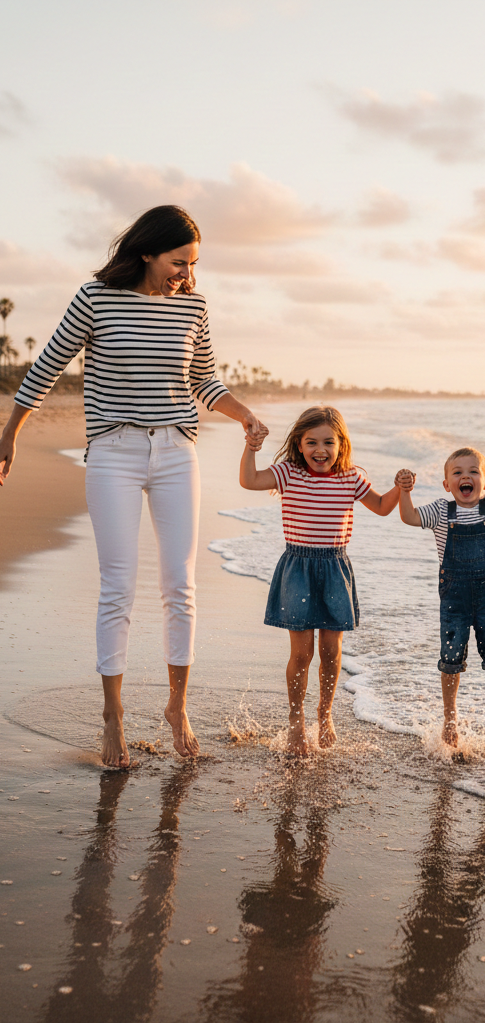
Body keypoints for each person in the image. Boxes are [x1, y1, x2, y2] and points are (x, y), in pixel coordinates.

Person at [0, 205, 268, 769]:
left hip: (176, 451)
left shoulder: (192, 306)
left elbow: (204, 379)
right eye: (178, 261)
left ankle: (177, 706)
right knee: (118, 586)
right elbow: (47, 366)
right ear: (147, 251)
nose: (186, 274)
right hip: (114, 453)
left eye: (193, 263)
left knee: (181, 585)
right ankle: (113, 716)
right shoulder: (95, 299)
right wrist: (10, 434)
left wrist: (243, 413)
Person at [239, 405, 401, 755]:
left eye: (329, 442)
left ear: (342, 444)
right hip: (298, 567)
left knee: (331, 651)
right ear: (299, 444)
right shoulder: (288, 473)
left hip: (335, 568)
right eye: (311, 442)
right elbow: (249, 481)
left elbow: (383, 506)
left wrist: (401, 488)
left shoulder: (350, 479)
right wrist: (251, 448)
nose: (320, 450)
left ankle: (325, 714)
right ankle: (296, 720)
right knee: (302, 653)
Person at [397, 447, 485, 747]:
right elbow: (408, 517)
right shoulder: (438, 510)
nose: (466, 477)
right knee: (450, 661)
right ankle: (450, 717)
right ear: (447, 484)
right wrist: (404, 491)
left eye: (474, 471)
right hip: (454, 604)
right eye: (457, 472)